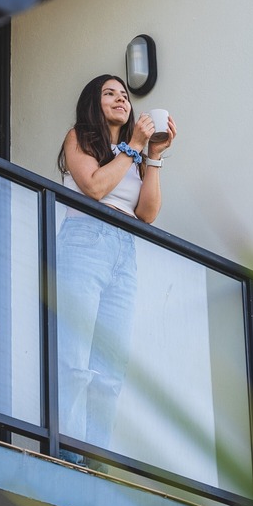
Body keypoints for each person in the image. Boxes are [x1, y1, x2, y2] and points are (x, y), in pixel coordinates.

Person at [55, 74, 176, 464]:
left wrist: (153, 154)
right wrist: (135, 146)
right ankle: (68, 453)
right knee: (74, 357)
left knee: (110, 367)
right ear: (94, 101)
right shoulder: (80, 139)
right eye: (110, 93)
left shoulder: (136, 155)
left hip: (124, 250)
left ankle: (96, 460)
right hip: (84, 239)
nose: (120, 99)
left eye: (124, 95)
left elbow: (147, 213)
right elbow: (93, 185)